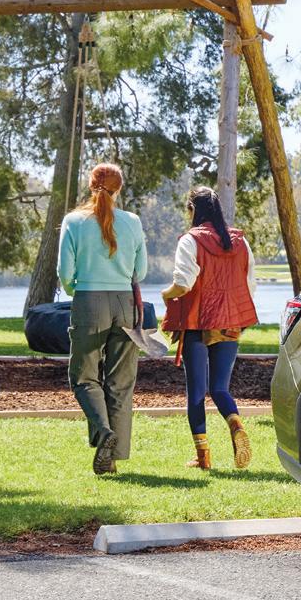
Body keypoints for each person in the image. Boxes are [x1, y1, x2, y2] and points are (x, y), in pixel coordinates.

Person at [58, 161, 149, 474]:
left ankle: (104, 432)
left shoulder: (73, 221)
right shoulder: (133, 221)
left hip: (89, 301)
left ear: (90, 185)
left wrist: (75, 289)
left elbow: (65, 273)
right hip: (125, 303)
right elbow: (141, 271)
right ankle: (111, 458)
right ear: (118, 189)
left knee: (83, 377)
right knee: (120, 382)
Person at [161, 187, 259, 470]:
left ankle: (203, 457)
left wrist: (166, 295)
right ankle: (236, 423)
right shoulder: (240, 241)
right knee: (219, 388)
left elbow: (183, 284)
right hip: (230, 321)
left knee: (196, 391)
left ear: (192, 209)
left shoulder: (190, 240)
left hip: (197, 322)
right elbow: (250, 285)